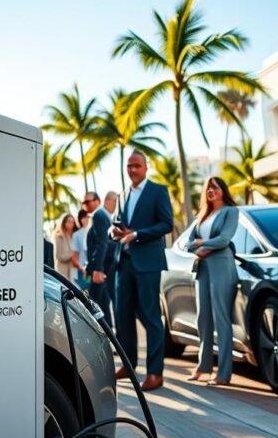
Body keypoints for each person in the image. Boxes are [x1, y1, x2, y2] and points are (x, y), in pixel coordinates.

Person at [111, 151, 174, 391]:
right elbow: (114, 226)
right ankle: (128, 365)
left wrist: (136, 234)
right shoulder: (122, 195)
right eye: (129, 166)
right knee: (123, 315)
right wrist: (113, 233)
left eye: (137, 166)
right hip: (123, 262)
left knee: (150, 316)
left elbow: (166, 224)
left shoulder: (158, 191)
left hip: (147, 263)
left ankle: (155, 374)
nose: (133, 170)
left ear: (146, 168)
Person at [185, 176, 239, 386]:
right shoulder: (202, 216)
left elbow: (225, 239)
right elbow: (188, 243)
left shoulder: (231, 212)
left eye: (215, 187)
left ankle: (223, 374)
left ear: (223, 190)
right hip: (203, 268)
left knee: (221, 318)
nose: (211, 191)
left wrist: (203, 245)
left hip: (222, 267)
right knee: (203, 318)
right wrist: (202, 246)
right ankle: (203, 367)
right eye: (208, 188)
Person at [86, 191, 119, 329]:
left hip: (103, 269)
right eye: (116, 202)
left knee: (97, 305)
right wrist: (97, 268)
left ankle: (110, 338)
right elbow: (102, 244)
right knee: (98, 305)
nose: (118, 206)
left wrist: (98, 268)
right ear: (108, 200)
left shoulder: (103, 217)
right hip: (101, 269)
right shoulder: (101, 215)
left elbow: (104, 244)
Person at [52, 213, 77, 281]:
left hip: (72, 273)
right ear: (63, 222)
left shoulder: (74, 236)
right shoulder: (59, 236)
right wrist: (71, 255)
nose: (71, 224)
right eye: (69, 222)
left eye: (72, 222)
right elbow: (59, 256)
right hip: (62, 272)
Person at [71, 209, 90, 287]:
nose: (87, 219)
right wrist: (82, 268)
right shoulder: (77, 235)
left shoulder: (96, 232)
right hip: (82, 273)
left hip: (96, 271)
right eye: (85, 217)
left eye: (88, 217)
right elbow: (73, 257)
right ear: (81, 219)